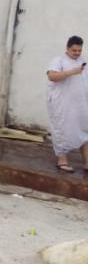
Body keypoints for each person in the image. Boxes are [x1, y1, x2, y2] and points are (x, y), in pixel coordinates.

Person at [46, 36, 88, 173]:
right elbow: (52, 76)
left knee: (84, 131)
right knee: (62, 131)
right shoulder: (58, 60)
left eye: (79, 50)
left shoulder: (83, 61)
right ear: (67, 48)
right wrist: (72, 72)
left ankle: (87, 163)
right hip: (62, 105)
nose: (77, 53)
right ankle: (62, 161)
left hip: (79, 105)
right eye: (74, 50)